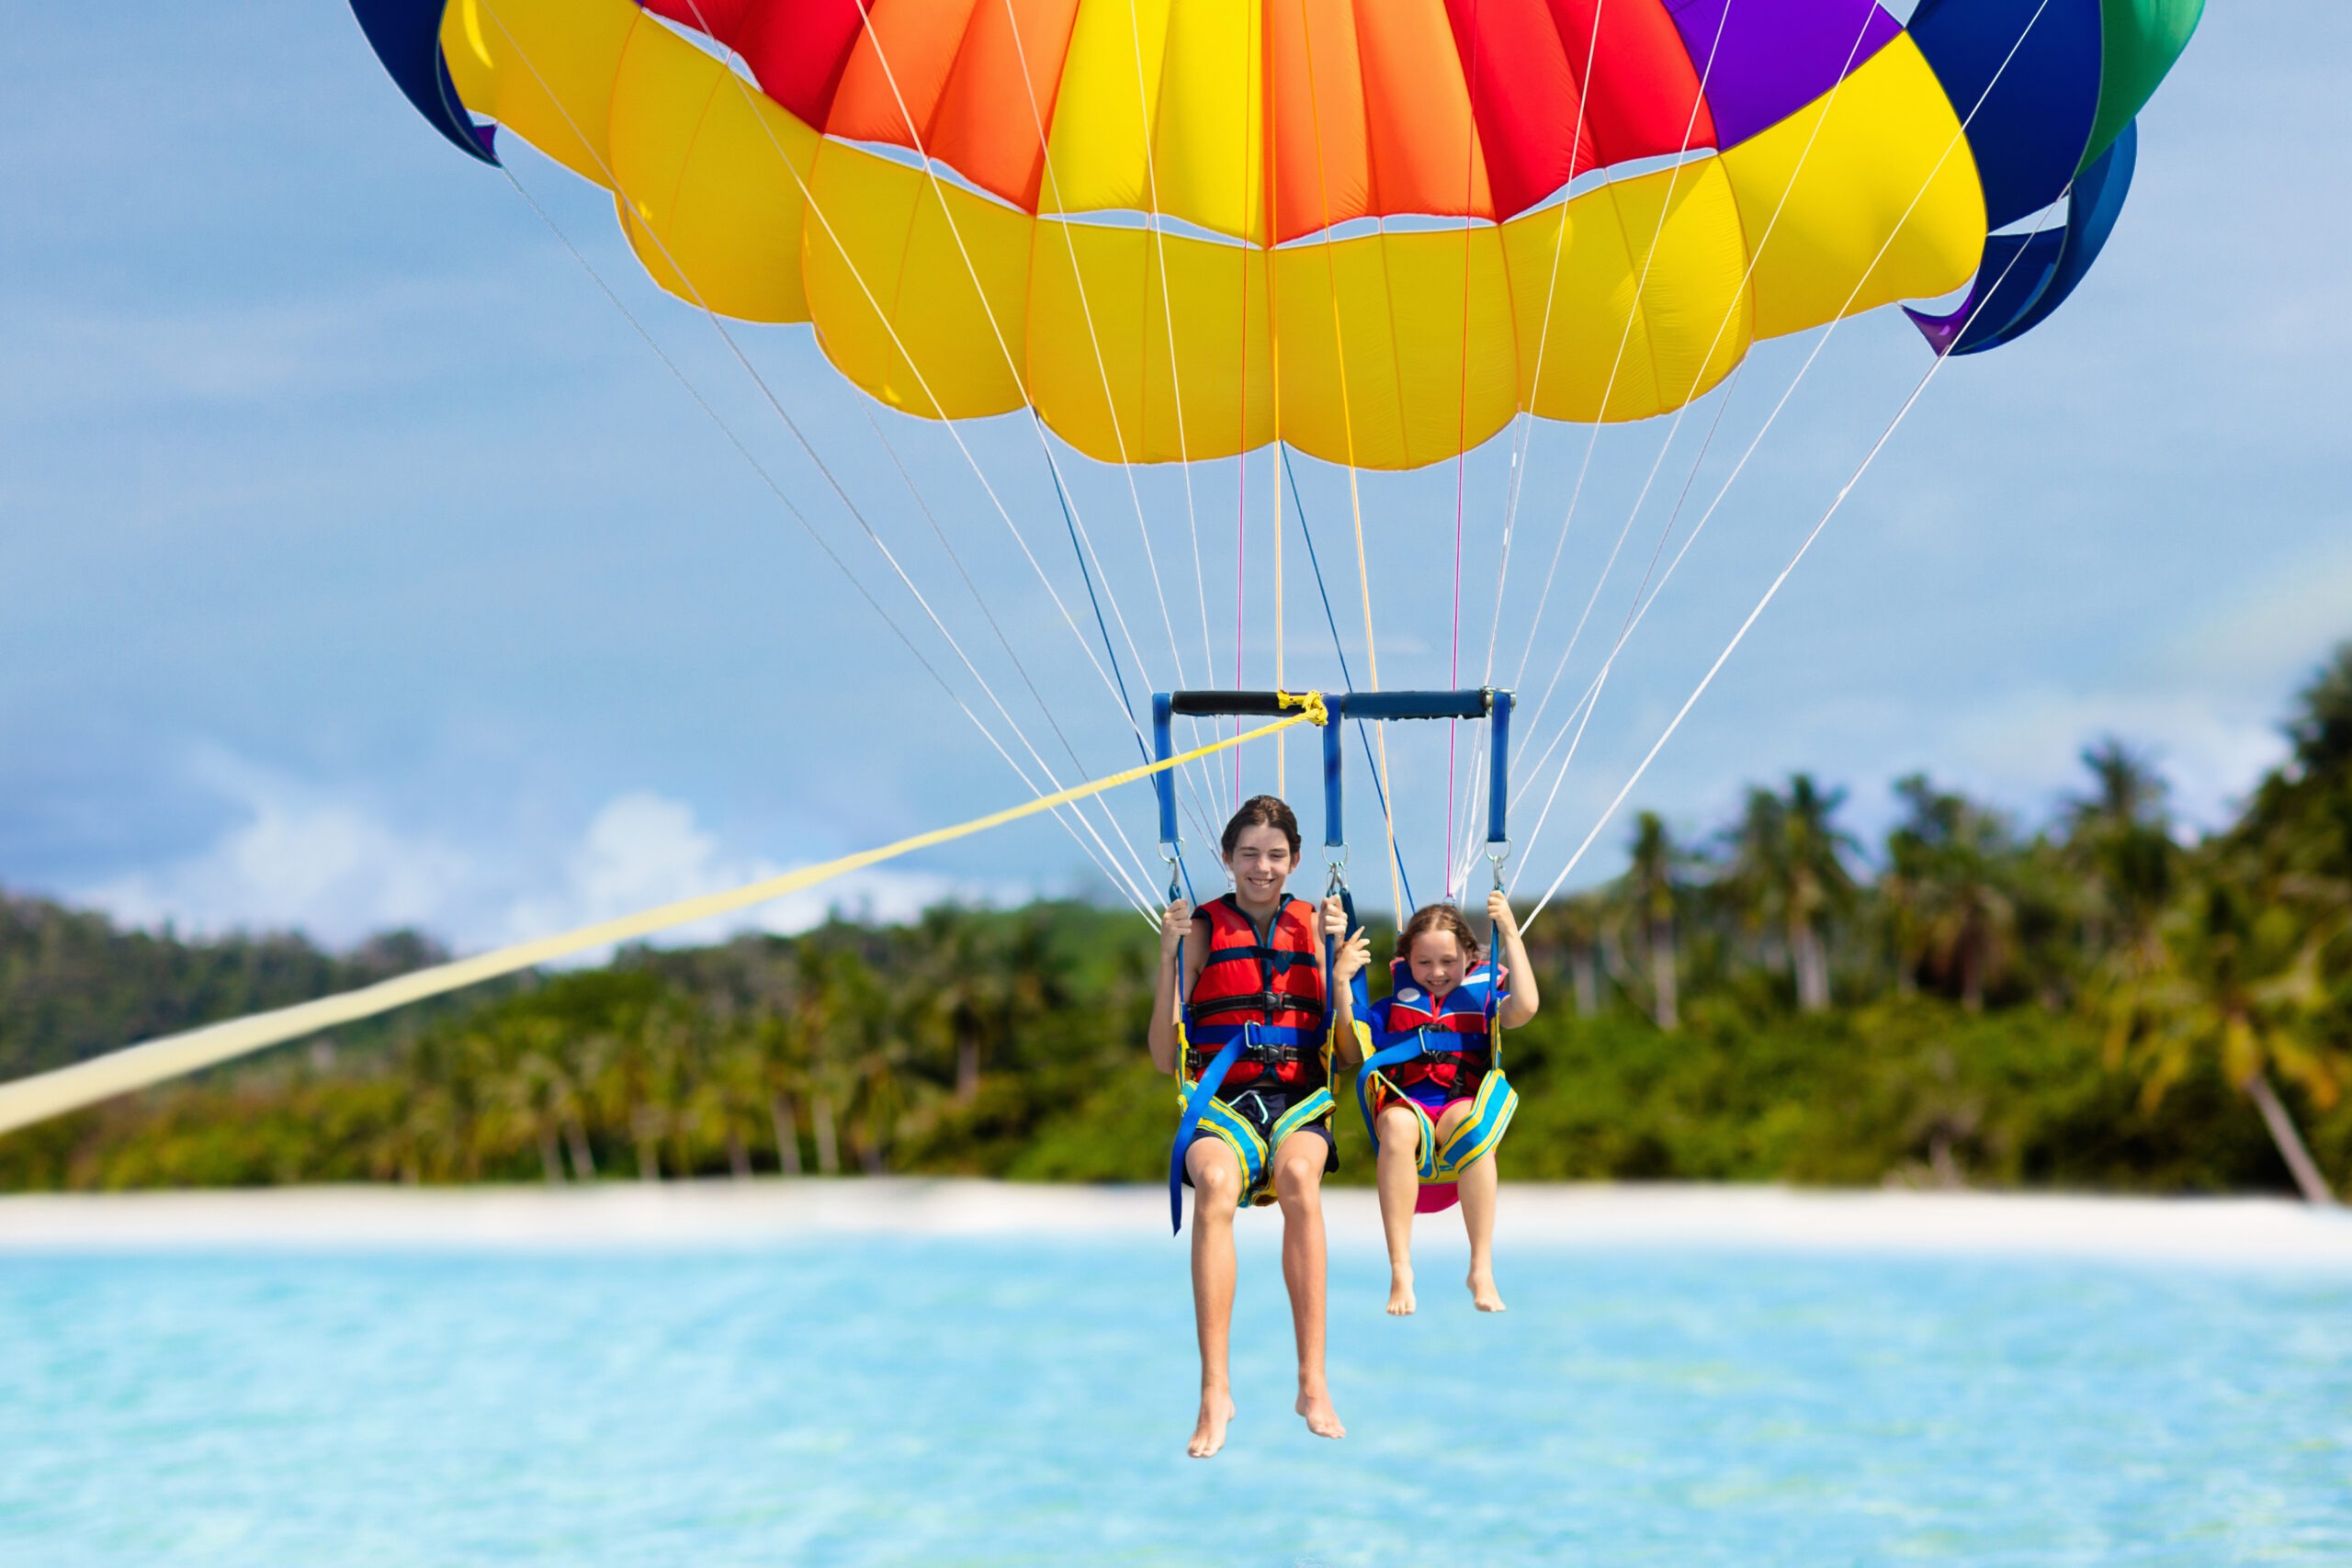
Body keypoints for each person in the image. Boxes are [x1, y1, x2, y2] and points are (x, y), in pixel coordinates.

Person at [1148, 795, 1353, 1458]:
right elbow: (1160, 1054)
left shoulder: (1320, 927)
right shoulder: (1203, 929)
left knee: (1298, 1175)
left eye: (1274, 856)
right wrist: (1167, 961)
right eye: (1247, 855)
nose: (1261, 868)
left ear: (1294, 860)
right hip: (1222, 1101)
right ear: (1227, 858)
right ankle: (1215, 1390)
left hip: (1296, 1097)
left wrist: (1338, 972)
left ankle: (1312, 1379)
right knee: (1212, 1185)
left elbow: (1347, 1054)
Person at [1330, 892, 1539, 1316]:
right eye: (1424, 963)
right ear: (1406, 960)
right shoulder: (1389, 1009)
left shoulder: (1484, 1003)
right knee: (1398, 1126)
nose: (1437, 972)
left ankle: (1481, 1267)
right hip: (1407, 1106)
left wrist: (1511, 935)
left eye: (1448, 961)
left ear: (1469, 954)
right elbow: (1349, 1050)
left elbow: (1527, 1007)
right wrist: (1340, 982)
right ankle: (1400, 1268)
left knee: (1471, 1124)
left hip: (1458, 1104)